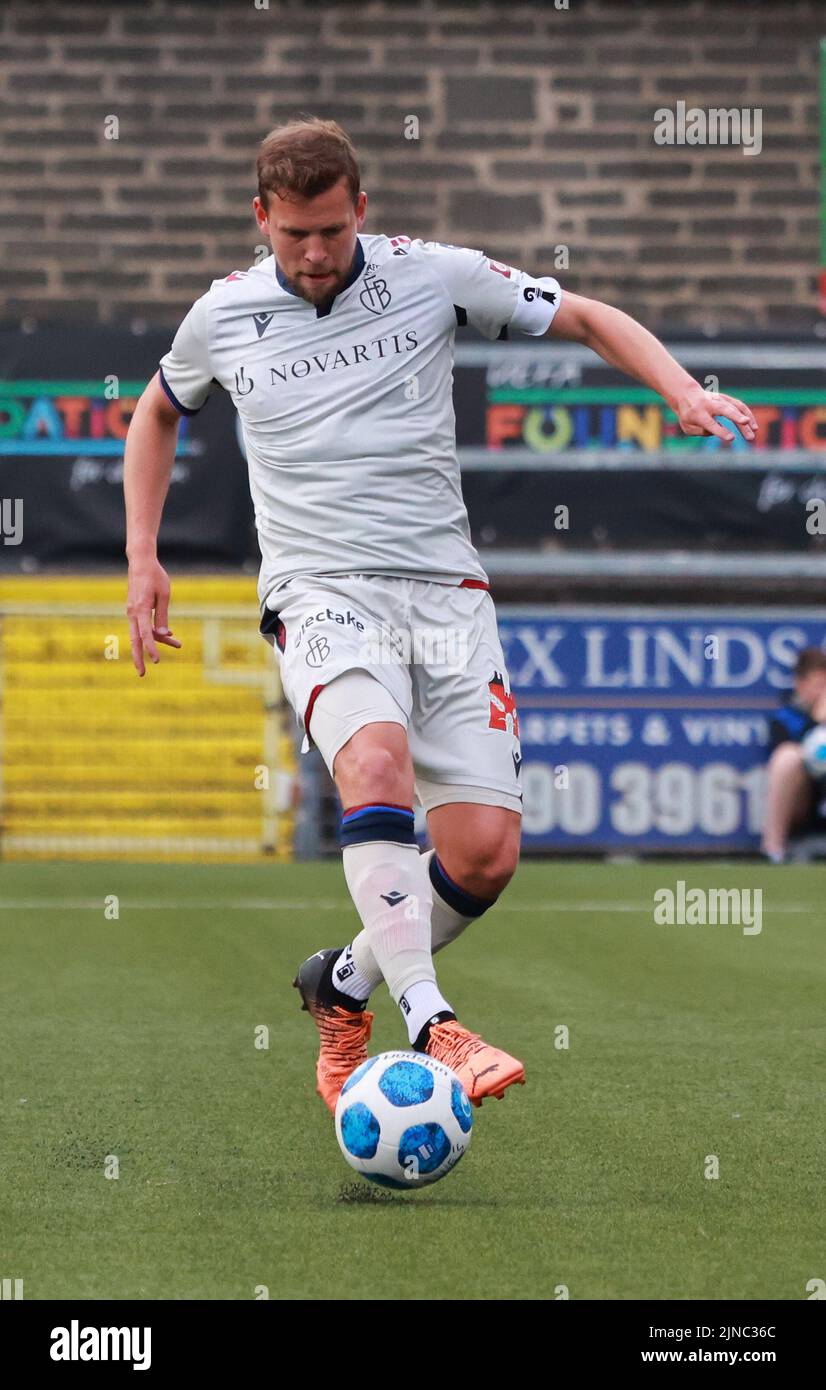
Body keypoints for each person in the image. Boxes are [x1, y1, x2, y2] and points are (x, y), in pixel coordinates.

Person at [124, 117, 758, 1112]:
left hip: (445, 596)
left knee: (481, 853)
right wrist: (141, 559)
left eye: (333, 230)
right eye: (295, 235)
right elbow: (157, 410)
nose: (317, 253)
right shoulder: (224, 315)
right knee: (374, 760)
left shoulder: (433, 276)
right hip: (321, 592)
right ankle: (431, 1018)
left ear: (360, 209)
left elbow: (587, 316)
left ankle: (344, 983)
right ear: (261, 220)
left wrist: (679, 387)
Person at [762, 646, 826, 863]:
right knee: (787, 757)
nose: (822, 692)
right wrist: (817, 721)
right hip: (804, 799)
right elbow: (781, 753)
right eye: (818, 685)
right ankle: (773, 850)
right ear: (800, 684)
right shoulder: (786, 717)